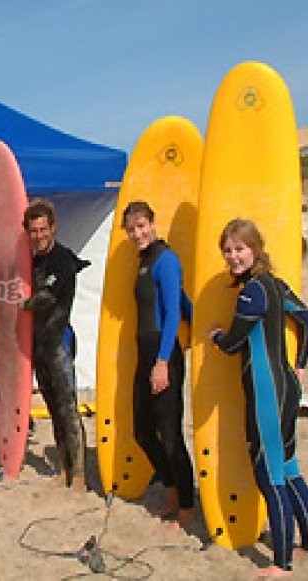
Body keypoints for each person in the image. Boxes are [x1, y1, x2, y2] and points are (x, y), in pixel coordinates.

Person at [209, 218, 308, 577]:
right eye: (227, 250)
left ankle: (282, 564)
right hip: (286, 387)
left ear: (254, 249)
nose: (233, 257)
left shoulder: (251, 291)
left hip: (266, 395)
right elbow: (307, 318)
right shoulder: (274, 284)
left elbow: (233, 344)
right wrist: (300, 365)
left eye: (239, 249)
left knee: (268, 474)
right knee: (289, 467)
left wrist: (215, 336)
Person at [122, 201, 195, 526]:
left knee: (169, 433)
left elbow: (171, 314)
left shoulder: (166, 259)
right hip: (145, 352)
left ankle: (187, 508)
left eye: (142, 226)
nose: (137, 233)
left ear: (152, 223)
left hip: (163, 354)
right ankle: (172, 490)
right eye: (131, 228)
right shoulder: (143, 262)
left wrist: (164, 361)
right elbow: (183, 301)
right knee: (142, 431)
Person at [22, 199, 89, 490]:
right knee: (52, 407)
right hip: (40, 345)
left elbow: (46, 298)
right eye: (33, 231)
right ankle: (64, 468)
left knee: (68, 408)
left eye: (43, 229)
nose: (38, 235)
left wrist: (19, 303)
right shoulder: (31, 261)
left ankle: (80, 476)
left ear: (53, 228)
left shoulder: (62, 260)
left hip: (59, 341)